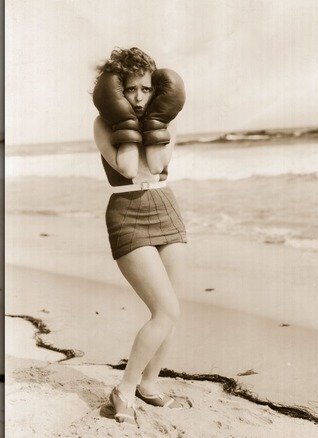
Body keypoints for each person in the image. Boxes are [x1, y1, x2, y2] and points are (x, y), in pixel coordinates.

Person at [92, 47, 187, 427]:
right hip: (126, 212)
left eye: (146, 89)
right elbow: (131, 167)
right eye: (129, 89)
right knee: (165, 311)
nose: (138, 98)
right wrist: (128, 122)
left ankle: (149, 384)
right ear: (116, 89)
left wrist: (155, 121)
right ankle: (124, 390)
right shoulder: (103, 123)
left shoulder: (166, 117)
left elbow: (160, 165)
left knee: (171, 311)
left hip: (166, 206)